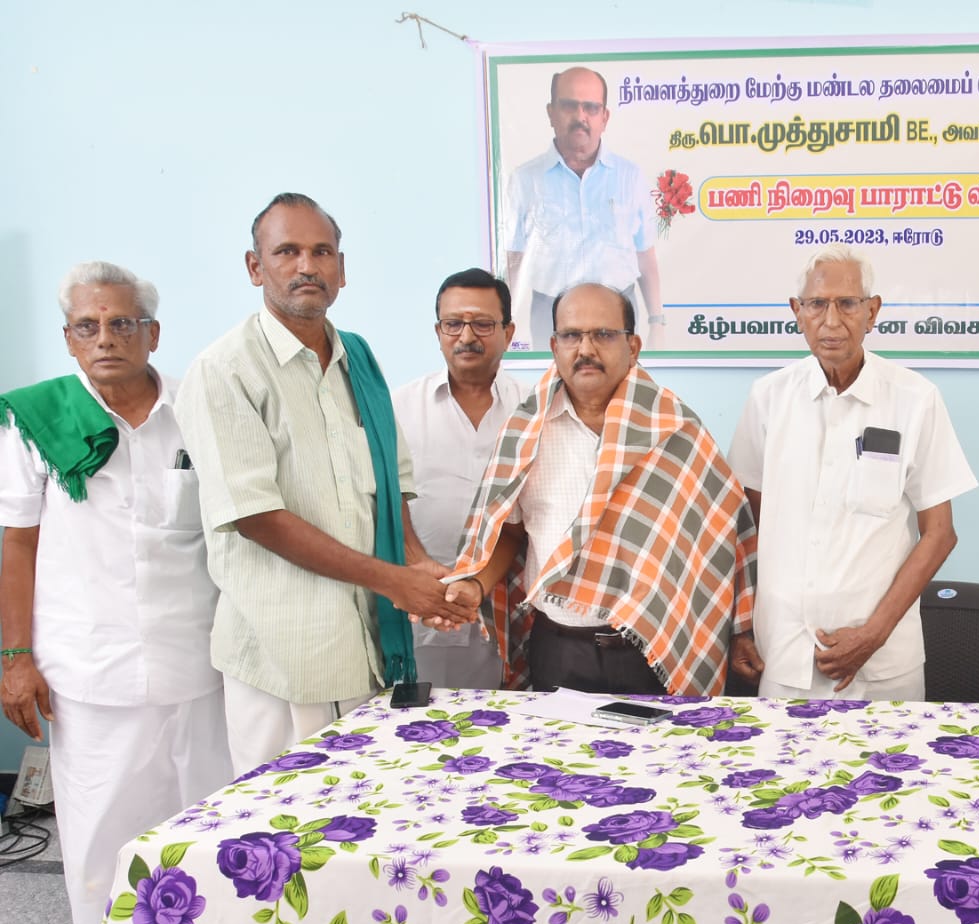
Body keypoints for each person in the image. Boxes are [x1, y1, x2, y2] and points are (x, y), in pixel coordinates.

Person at [176, 193, 473, 771]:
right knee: (281, 815)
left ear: (342, 268)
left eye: (321, 252)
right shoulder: (224, 370)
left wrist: (415, 563)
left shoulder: (357, 357)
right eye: (287, 251)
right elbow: (256, 516)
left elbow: (387, 482)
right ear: (255, 266)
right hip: (285, 654)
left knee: (367, 804)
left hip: (367, 646)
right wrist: (394, 581)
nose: (306, 266)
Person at [0, 262, 232, 924]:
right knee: (101, 849)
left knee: (205, 838)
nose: (105, 338)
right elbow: (17, 543)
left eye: (121, 323)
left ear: (152, 333)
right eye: (87, 326)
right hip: (90, 675)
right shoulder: (37, 422)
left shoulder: (199, 409)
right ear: (68, 339)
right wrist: (15, 658)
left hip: (200, 669)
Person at [434, 282, 757, 695]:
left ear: (633, 346)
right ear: (554, 347)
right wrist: (475, 584)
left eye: (603, 334)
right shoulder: (526, 432)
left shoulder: (678, 433)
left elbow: (723, 544)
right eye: (571, 335)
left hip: (653, 653)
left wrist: (742, 630)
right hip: (559, 648)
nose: (585, 349)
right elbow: (510, 533)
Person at [728, 246, 976, 700]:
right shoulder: (768, 398)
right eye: (817, 304)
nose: (831, 320)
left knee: (893, 751)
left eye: (847, 303)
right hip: (784, 652)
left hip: (883, 663)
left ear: (872, 312)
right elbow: (747, 528)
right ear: (797, 312)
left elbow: (940, 534)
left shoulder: (914, 399)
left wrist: (872, 635)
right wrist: (741, 627)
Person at [392, 268, 528, 688]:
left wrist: (478, 584)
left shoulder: (534, 410)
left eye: (483, 324)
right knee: (421, 721)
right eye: (453, 324)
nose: (466, 336)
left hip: (512, 611)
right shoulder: (399, 407)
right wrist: (416, 567)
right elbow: (380, 497)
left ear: (508, 333)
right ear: (438, 332)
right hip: (419, 611)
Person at [502, 66, 664, 348]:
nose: (580, 117)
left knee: (623, 378)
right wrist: (504, 322)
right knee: (549, 378)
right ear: (551, 113)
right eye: (569, 106)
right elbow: (514, 258)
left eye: (591, 107)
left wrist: (656, 321)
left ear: (605, 117)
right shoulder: (525, 179)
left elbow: (645, 254)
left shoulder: (629, 177)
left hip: (618, 313)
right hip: (550, 315)